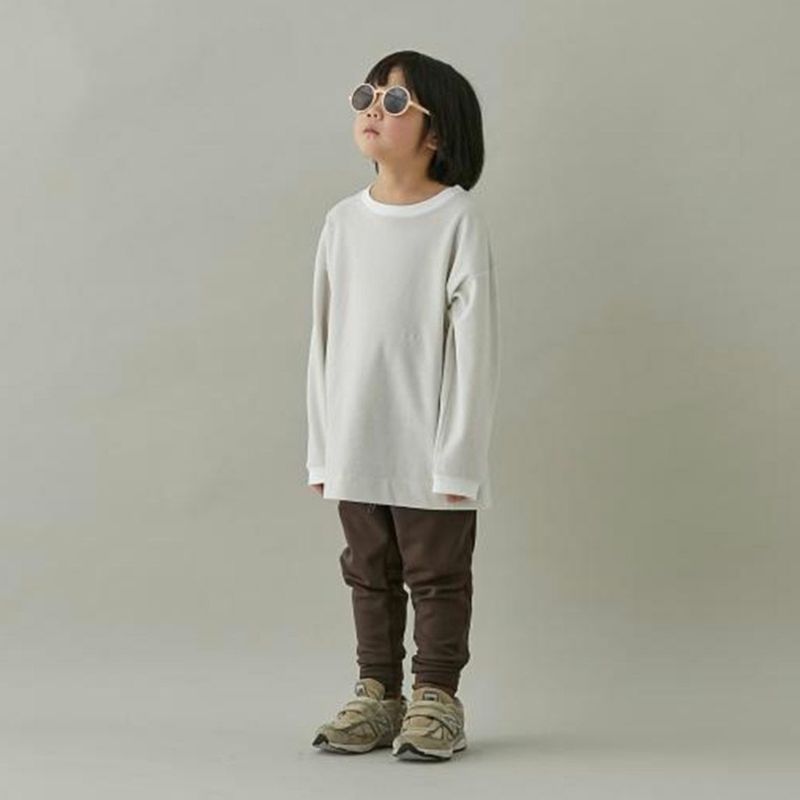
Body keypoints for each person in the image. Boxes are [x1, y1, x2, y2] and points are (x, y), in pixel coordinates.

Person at [305, 50, 500, 761]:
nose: (372, 111)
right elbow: (322, 339)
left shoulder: (456, 220)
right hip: (357, 437)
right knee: (367, 571)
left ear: (436, 132)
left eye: (393, 103)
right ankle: (377, 693)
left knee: (438, 576)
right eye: (366, 96)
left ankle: (436, 697)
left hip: (430, 440)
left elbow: (475, 348)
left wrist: (459, 456)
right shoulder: (341, 222)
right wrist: (323, 449)